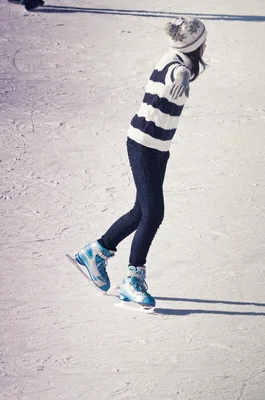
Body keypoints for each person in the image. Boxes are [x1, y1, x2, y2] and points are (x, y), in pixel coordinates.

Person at [72, 17, 208, 307]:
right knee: (154, 213)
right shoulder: (176, 65)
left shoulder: (174, 57)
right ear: (197, 46)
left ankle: (96, 251)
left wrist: (185, 73)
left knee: (141, 210)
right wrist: (182, 76)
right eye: (203, 41)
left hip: (157, 147)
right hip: (144, 145)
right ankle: (132, 280)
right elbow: (176, 74)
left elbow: (179, 69)